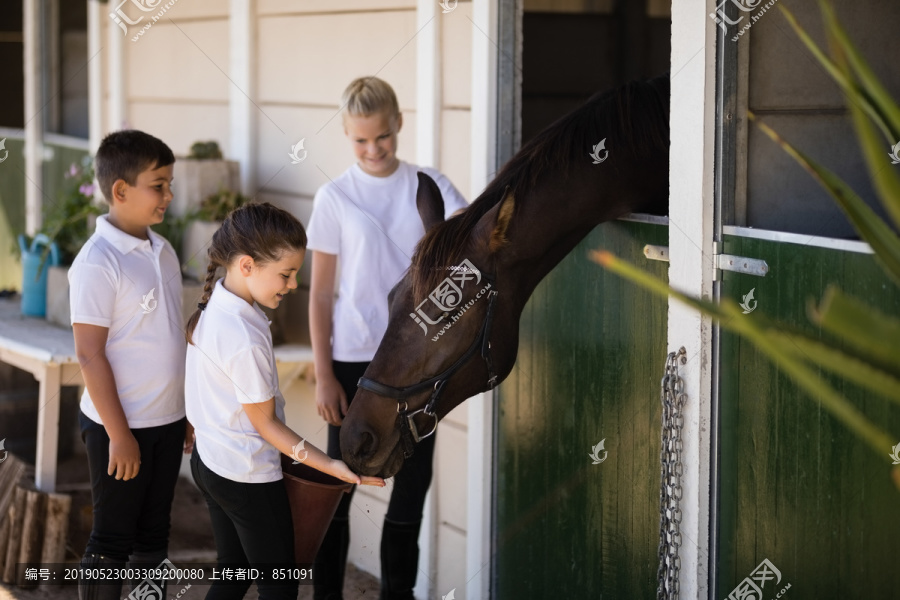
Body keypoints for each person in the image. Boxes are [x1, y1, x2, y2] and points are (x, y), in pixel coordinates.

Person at [307, 76, 468, 600]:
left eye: (382, 136)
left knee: (411, 491)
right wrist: (326, 374)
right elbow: (320, 293)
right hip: (355, 362)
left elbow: (471, 247)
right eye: (360, 140)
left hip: (419, 364)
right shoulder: (334, 198)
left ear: (398, 123)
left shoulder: (431, 185)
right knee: (340, 486)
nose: (373, 149)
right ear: (346, 135)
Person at [185, 202, 384, 600]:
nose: (293, 285)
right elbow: (266, 425)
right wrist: (329, 465)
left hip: (209, 463)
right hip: (247, 477)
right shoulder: (243, 334)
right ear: (246, 265)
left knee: (234, 571)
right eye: (286, 274)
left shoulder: (217, 306)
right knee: (280, 587)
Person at [70, 129, 190, 600]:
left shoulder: (163, 250)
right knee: (112, 541)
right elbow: (89, 353)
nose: (169, 194)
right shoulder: (97, 262)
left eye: (169, 183)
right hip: (117, 427)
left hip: (165, 420)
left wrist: (183, 411)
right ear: (121, 191)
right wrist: (120, 435)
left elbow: (167, 335)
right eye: (158, 185)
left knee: (153, 539)